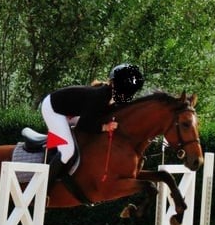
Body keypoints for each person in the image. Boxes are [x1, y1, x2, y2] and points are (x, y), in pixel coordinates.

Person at [40, 63, 145, 192]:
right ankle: (43, 188)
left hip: (71, 110)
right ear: (114, 84)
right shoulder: (100, 97)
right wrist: (105, 127)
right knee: (67, 150)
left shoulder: (112, 98)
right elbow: (84, 125)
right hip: (53, 109)